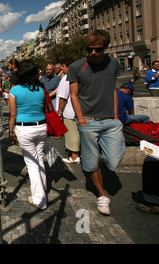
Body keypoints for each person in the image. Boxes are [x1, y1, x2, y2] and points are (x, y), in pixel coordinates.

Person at [67, 29, 126, 216]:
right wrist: (82, 120)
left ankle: (96, 161)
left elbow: (113, 89)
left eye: (98, 49)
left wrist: (116, 115)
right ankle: (102, 195)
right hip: (88, 121)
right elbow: (73, 95)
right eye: (90, 49)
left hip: (111, 120)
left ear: (105, 48)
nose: (93, 53)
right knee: (91, 162)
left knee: (113, 160)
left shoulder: (114, 63)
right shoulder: (77, 67)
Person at [9, 60, 48, 210]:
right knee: (39, 160)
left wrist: (10, 132)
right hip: (41, 126)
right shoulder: (40, 89)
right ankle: (42, 189)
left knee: (31, 163)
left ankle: (40, 199)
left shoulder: (15, 91)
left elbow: (13, 114)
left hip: (24, 129)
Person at [57, 58, 80, 164]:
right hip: (81, 110)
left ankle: (74, 156)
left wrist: (60, 112)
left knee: (72, 133)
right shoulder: (80, 76)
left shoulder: (66, 78)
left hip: (69, 110)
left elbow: (63, 98)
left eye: (64, 66)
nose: (62, 68)